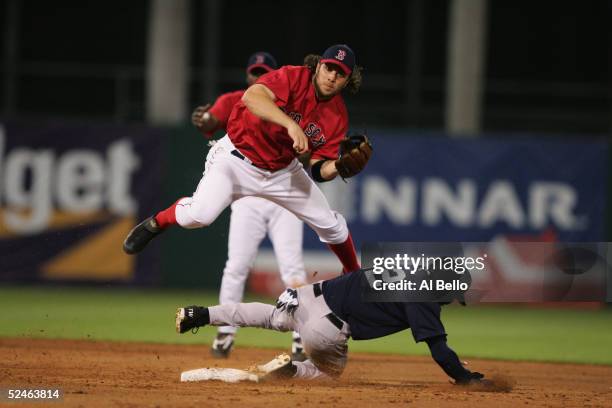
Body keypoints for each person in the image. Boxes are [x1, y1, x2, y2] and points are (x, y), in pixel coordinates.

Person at [124, 45, 367, 301]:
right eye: (329, 67)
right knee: (198, 215)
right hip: (237, 159)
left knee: (333, 226)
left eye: (340, 73)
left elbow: (319, 169)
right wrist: (290, 124)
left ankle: (353, 275)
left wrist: (338, 167)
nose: (331, 76)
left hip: (283, 171)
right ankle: (156, 222)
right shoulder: (292, 77)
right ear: (318, 65)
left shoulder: (337, 115)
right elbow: (253, 97)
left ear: (348, 80)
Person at [174, 269, 490, 384]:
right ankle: (289, 371)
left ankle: (200, 314)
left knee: (270, 316)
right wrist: (463, 377)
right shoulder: (424, 299)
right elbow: (438, 350)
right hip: (325, 329)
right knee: (328, 373)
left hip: (304, 296)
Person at [190, 51, 307, 360]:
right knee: (236, 266)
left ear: (275, 77)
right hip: (247, 198)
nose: (259, 78)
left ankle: (300, 337)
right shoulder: (235, 100)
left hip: (283, 196)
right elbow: (212, 120)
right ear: (248, 76)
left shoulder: (292, 106)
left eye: (264, 72)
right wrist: (205, 121)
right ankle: (225, 332)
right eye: (255, 73)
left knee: (292, 268)